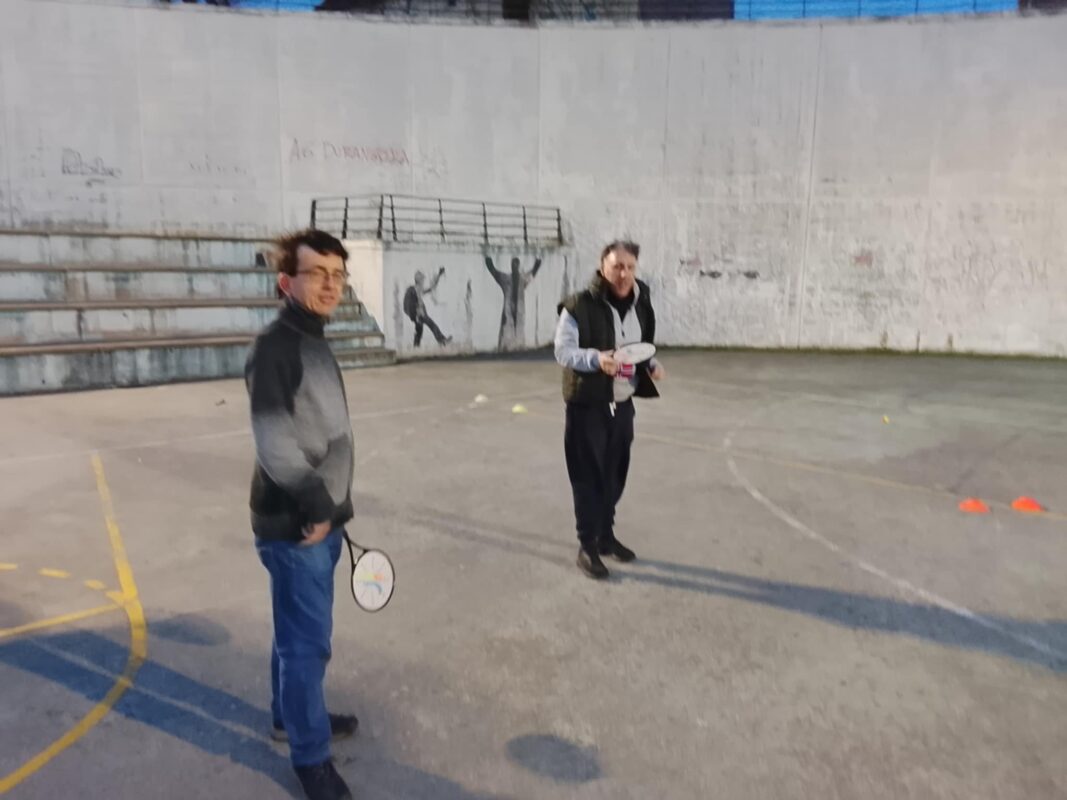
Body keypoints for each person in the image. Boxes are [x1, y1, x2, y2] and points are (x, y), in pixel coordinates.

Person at [245, 229, 359, 800]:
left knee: (293, 633)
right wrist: (318, 505)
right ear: (286, 282)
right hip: (297, 526)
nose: (330, 284)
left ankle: (288, 716)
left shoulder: (311, 338)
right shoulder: (275, 347)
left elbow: (322, 431)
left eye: (337, 274)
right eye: (318, 273)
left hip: (320, 520)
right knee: (307, 645)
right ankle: (310, 756)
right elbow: (274, 442)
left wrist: (335, 505)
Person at [553, 240, 665, 580]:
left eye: (629, 267)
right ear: (603, 267)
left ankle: (605, 535)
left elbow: (639, 348)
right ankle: (587, 545)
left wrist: (651, 364)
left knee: (615, 474)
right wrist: (595, 359)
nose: (623, 273)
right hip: (587, 404)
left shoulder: (641, 303)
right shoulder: (578, 305)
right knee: (587, 476)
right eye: (617, 266)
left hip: (623, 403)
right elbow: (562, 351)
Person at [484, 255, 542, 350]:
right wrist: (488, 262)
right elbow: (494, 272)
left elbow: (533, 273)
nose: (514, 267)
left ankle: (515, 346)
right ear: (511, 266)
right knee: (506, 329)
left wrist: (537, 263)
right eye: (513, 265)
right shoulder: (506, 279)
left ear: (518, 266)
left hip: (519, 311)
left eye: (515, 265)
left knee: (517, 330)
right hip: (508, 312)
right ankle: (505, 347)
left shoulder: (522, 280)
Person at [403, 266, 452, 347]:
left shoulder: (417, 288)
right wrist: (420, 314)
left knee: (419, 331)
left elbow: (432, 288)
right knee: (432, 325)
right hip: (420, 313)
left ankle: (416, 347)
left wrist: (438, 275)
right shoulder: (418, 288)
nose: (423, 280)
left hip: (416, 314)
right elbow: (419, 302)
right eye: (422, 279)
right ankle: (442, 340)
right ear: (419, 280)